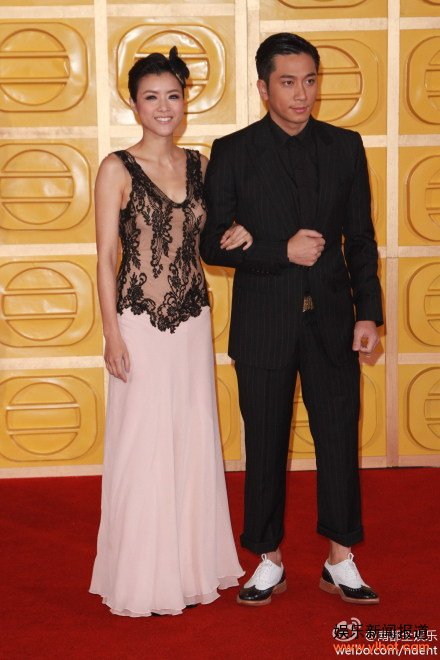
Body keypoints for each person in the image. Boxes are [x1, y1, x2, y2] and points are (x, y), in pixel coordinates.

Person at [201, 33, 383, 607]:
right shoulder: (233, 151)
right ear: (263, 88)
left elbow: (361, 238)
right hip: (263, 324)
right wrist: (280, 250)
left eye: (309, 80)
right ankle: (267, 559)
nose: (301, 94)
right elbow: (211, 242)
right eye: (287, 82)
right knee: (264, 446)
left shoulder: (345, 146)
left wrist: (369, 313)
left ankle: (340, 558)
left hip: (333, 321)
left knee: (339, 441)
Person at [89, 47, 245, 617]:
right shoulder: (116, 168)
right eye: (151, 97)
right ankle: (142, 577)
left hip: (192, 320)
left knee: (192, 437)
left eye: (172, 96)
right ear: (134, 104)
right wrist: (112, 334)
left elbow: (213, 234)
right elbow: (106, 257)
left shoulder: (202, 164)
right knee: (142, 444)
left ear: (185, 102)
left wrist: (240, 233)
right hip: (138, 323)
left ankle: (190, 568)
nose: (163, 107)